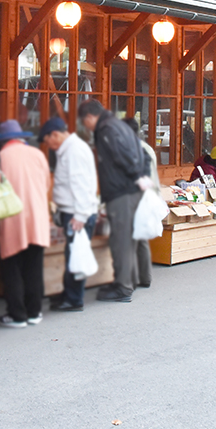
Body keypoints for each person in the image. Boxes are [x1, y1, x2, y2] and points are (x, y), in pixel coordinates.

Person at [78, 99, 148, 302]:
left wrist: (135, 175)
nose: (86, 128)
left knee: (121, 240)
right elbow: (142, 153)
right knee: (130, 239)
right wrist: (141, 177)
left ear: (90, 117)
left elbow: (122, 156)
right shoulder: (119, 125)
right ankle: (130, 281)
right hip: (130, 190)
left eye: (85, 123)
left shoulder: (107, 129)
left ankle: (123, 288)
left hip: (121, 192)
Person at [0, 120, 51, 328]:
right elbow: (45, 185)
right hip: (37, 217)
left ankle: (17, 315)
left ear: (2, 141)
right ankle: (34, 312)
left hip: (11, 219)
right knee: (34, 267)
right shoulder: (38, 155)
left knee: (12, 267)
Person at [43, 116, 99, 312]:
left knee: (76, 254)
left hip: (77, 213)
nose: (48, 146)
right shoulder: (71, 149)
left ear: (55, 134)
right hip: (74, 211)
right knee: (72, 254)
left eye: (48, 140)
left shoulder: (73, 151)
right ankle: (69, 294)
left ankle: (74, 299)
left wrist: (80, 216)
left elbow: (81, 185)